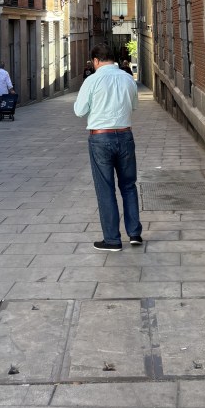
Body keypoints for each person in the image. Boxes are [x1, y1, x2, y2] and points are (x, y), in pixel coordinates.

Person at [74, 43, 142, 252]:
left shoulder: (92, 80)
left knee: (105, 188)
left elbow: (79, 110)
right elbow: (134, 106)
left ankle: (112, 240)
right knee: (128, 186)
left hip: (100, 138)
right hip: (125, 135)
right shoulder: (127, 78)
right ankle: (134, 234)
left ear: (96, 61)